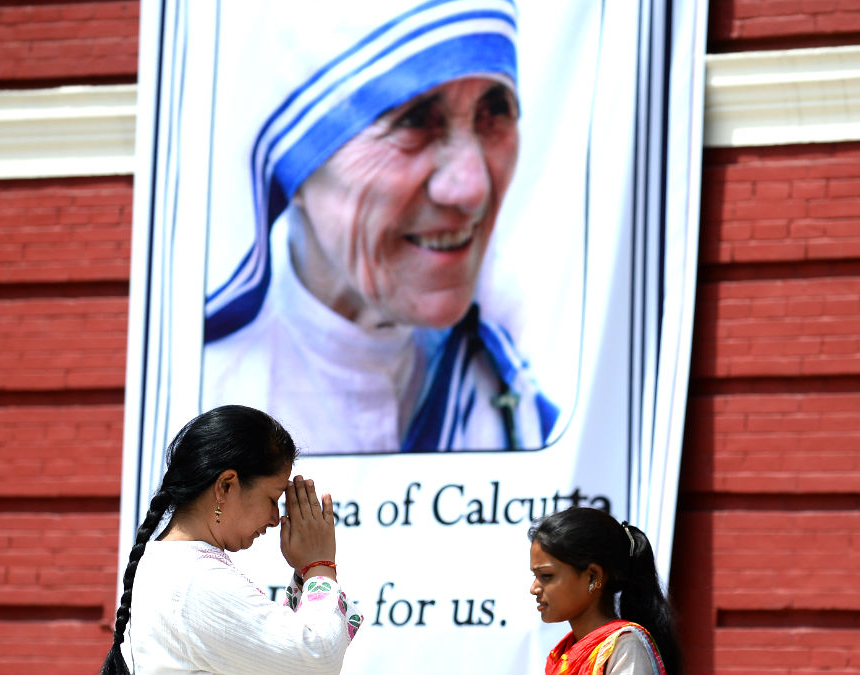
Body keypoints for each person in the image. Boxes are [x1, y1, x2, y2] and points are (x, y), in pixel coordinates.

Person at [200, 0, 559, 453]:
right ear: (294, 163)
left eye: (496, 111)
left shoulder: (518, 354)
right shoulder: (209, 400)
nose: (472, 188)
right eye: (412, 120)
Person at [98, 405, 362, 675]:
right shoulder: (194, 581)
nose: (275, 518)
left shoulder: (174, 568)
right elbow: (317, 659)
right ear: (226, 485)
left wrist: (305, 574)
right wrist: (319, 564)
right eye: (272, 499)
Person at [528, 508, 682, 675]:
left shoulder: (624, 646)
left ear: (593, 577)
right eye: (535, 576)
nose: (533, 588)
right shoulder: (564, 653)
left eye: (546, 575)